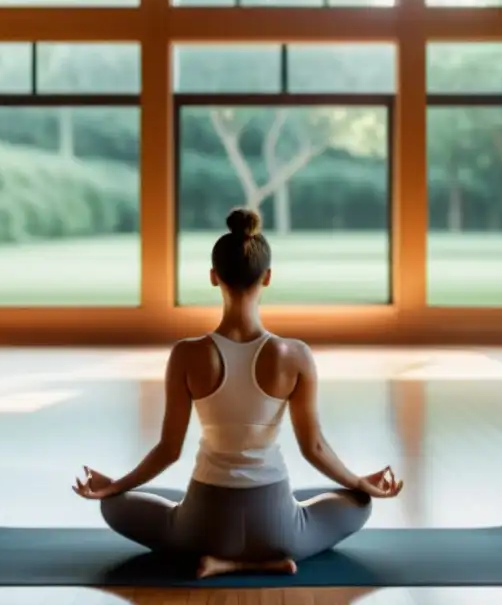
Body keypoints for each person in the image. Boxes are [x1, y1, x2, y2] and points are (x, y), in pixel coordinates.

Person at [72, 207, 403, 579]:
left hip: (200, 528)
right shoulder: (294, 355)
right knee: (359, 504)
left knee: (113, 507)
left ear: (214, 278)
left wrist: (114, 486)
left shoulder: (187, 354)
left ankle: (223, 561)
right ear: (268, 278)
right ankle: (265, 560)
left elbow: (169, 449)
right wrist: (360, 483)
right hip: (279, 529)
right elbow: (315, 448)